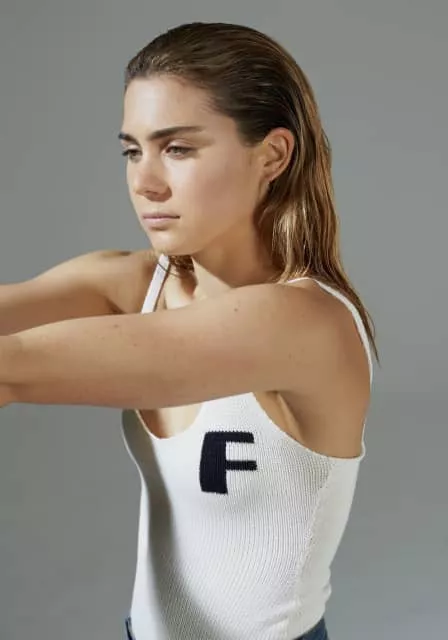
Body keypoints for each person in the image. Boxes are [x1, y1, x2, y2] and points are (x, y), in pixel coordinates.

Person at [0, 21, 377, 640]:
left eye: (177, 149)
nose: (145, 181)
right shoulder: (132, 286)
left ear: (273, 156)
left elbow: (12, 366)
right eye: (132, 150)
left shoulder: (305, 322)